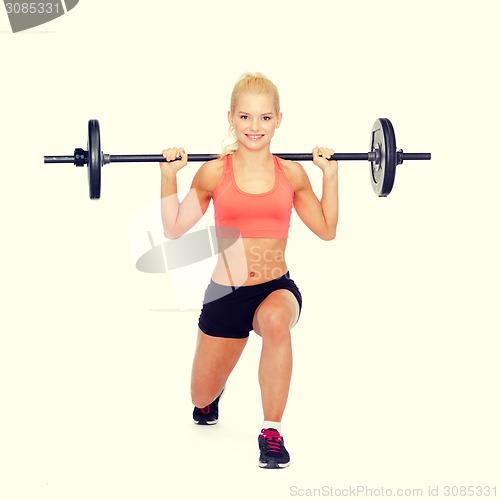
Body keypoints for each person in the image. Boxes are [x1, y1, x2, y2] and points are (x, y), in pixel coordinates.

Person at [159, 73, 338, 469]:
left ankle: (271, 431)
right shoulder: (212, 172)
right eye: (244, 117)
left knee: (276, 320)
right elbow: (173, 229)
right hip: (225, 296)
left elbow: (326, 230)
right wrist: (168, 176)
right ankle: (212, 396)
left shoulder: (291, 174)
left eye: (264, 118)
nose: (254, 127)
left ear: (278, 120)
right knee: (199, 399)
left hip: (275, 287)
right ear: (231, 118)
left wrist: (330, 176)